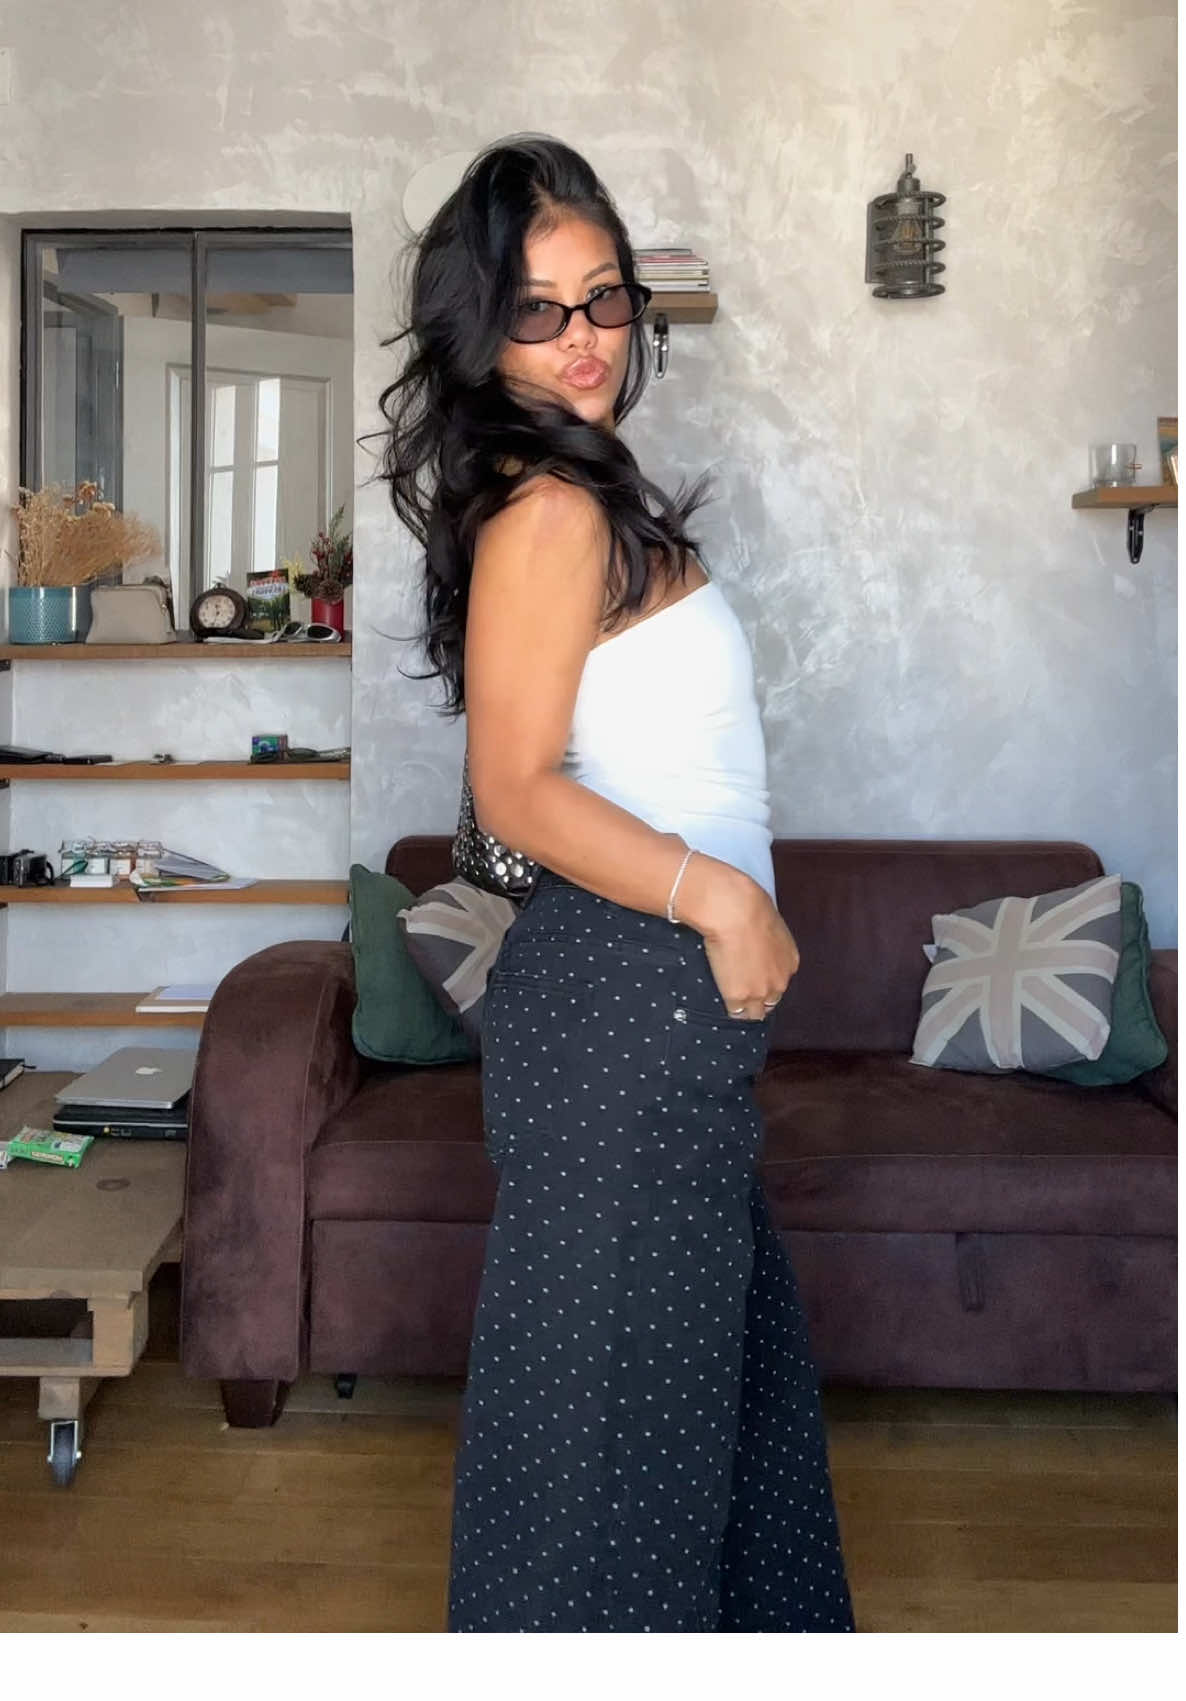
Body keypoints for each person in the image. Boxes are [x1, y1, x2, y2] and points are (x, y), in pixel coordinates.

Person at [376, 133, 855, 1634]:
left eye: (604, 298)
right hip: (623, 996)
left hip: (643, 1011)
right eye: (538, 308)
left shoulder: (585, 494)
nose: (582, 335)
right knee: (607, 1466)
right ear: (484, 329)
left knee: (711, 1427)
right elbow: (516, 792)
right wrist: (722, 897)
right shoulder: (551, 512)